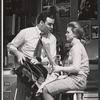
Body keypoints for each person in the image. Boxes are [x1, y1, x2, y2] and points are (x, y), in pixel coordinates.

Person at [7, 6, 58, 100]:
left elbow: (53, 58)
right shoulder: (25, 33)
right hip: (25, 73)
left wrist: (39, 61)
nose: (52, 27)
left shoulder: (52, 39)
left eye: (52, 24)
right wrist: (18, 53)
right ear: (41, 23)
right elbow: (10, 46)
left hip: (42, 76)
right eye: (49, 24)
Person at [42, 21, 90, 100]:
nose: (66, 34)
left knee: (45, 89)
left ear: (75, 34)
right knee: (50, 84)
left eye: (68, 32)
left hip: (78, 80)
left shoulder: (76, 48)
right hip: (77, 79)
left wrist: (60, 68)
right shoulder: (77, 46)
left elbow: (76, 68)